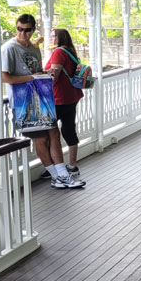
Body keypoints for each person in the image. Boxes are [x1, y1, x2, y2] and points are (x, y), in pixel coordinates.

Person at [1, 14, 84, 189]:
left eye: (27, 30)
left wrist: (42, 76)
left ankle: (62, 175)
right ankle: (57, 176)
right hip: (23, 102)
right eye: (19, 29)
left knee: (54, 134)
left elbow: (38, 71)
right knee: (40, 139)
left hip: (41, 99)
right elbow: (5, 77)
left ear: (32, 30)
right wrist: (32, 77)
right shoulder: (9, 48)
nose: (23, 33)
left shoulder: (33, 48)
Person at [45, 28, 85, 183]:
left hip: (59, 97)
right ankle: (72, 165)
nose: (50, 38)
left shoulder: (58, 52)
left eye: (53, 36)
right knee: (68, 129)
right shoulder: (70, 51)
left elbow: (54, 75)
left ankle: (54, 167)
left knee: (50, 133)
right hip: (72, 96)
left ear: (60, 38)